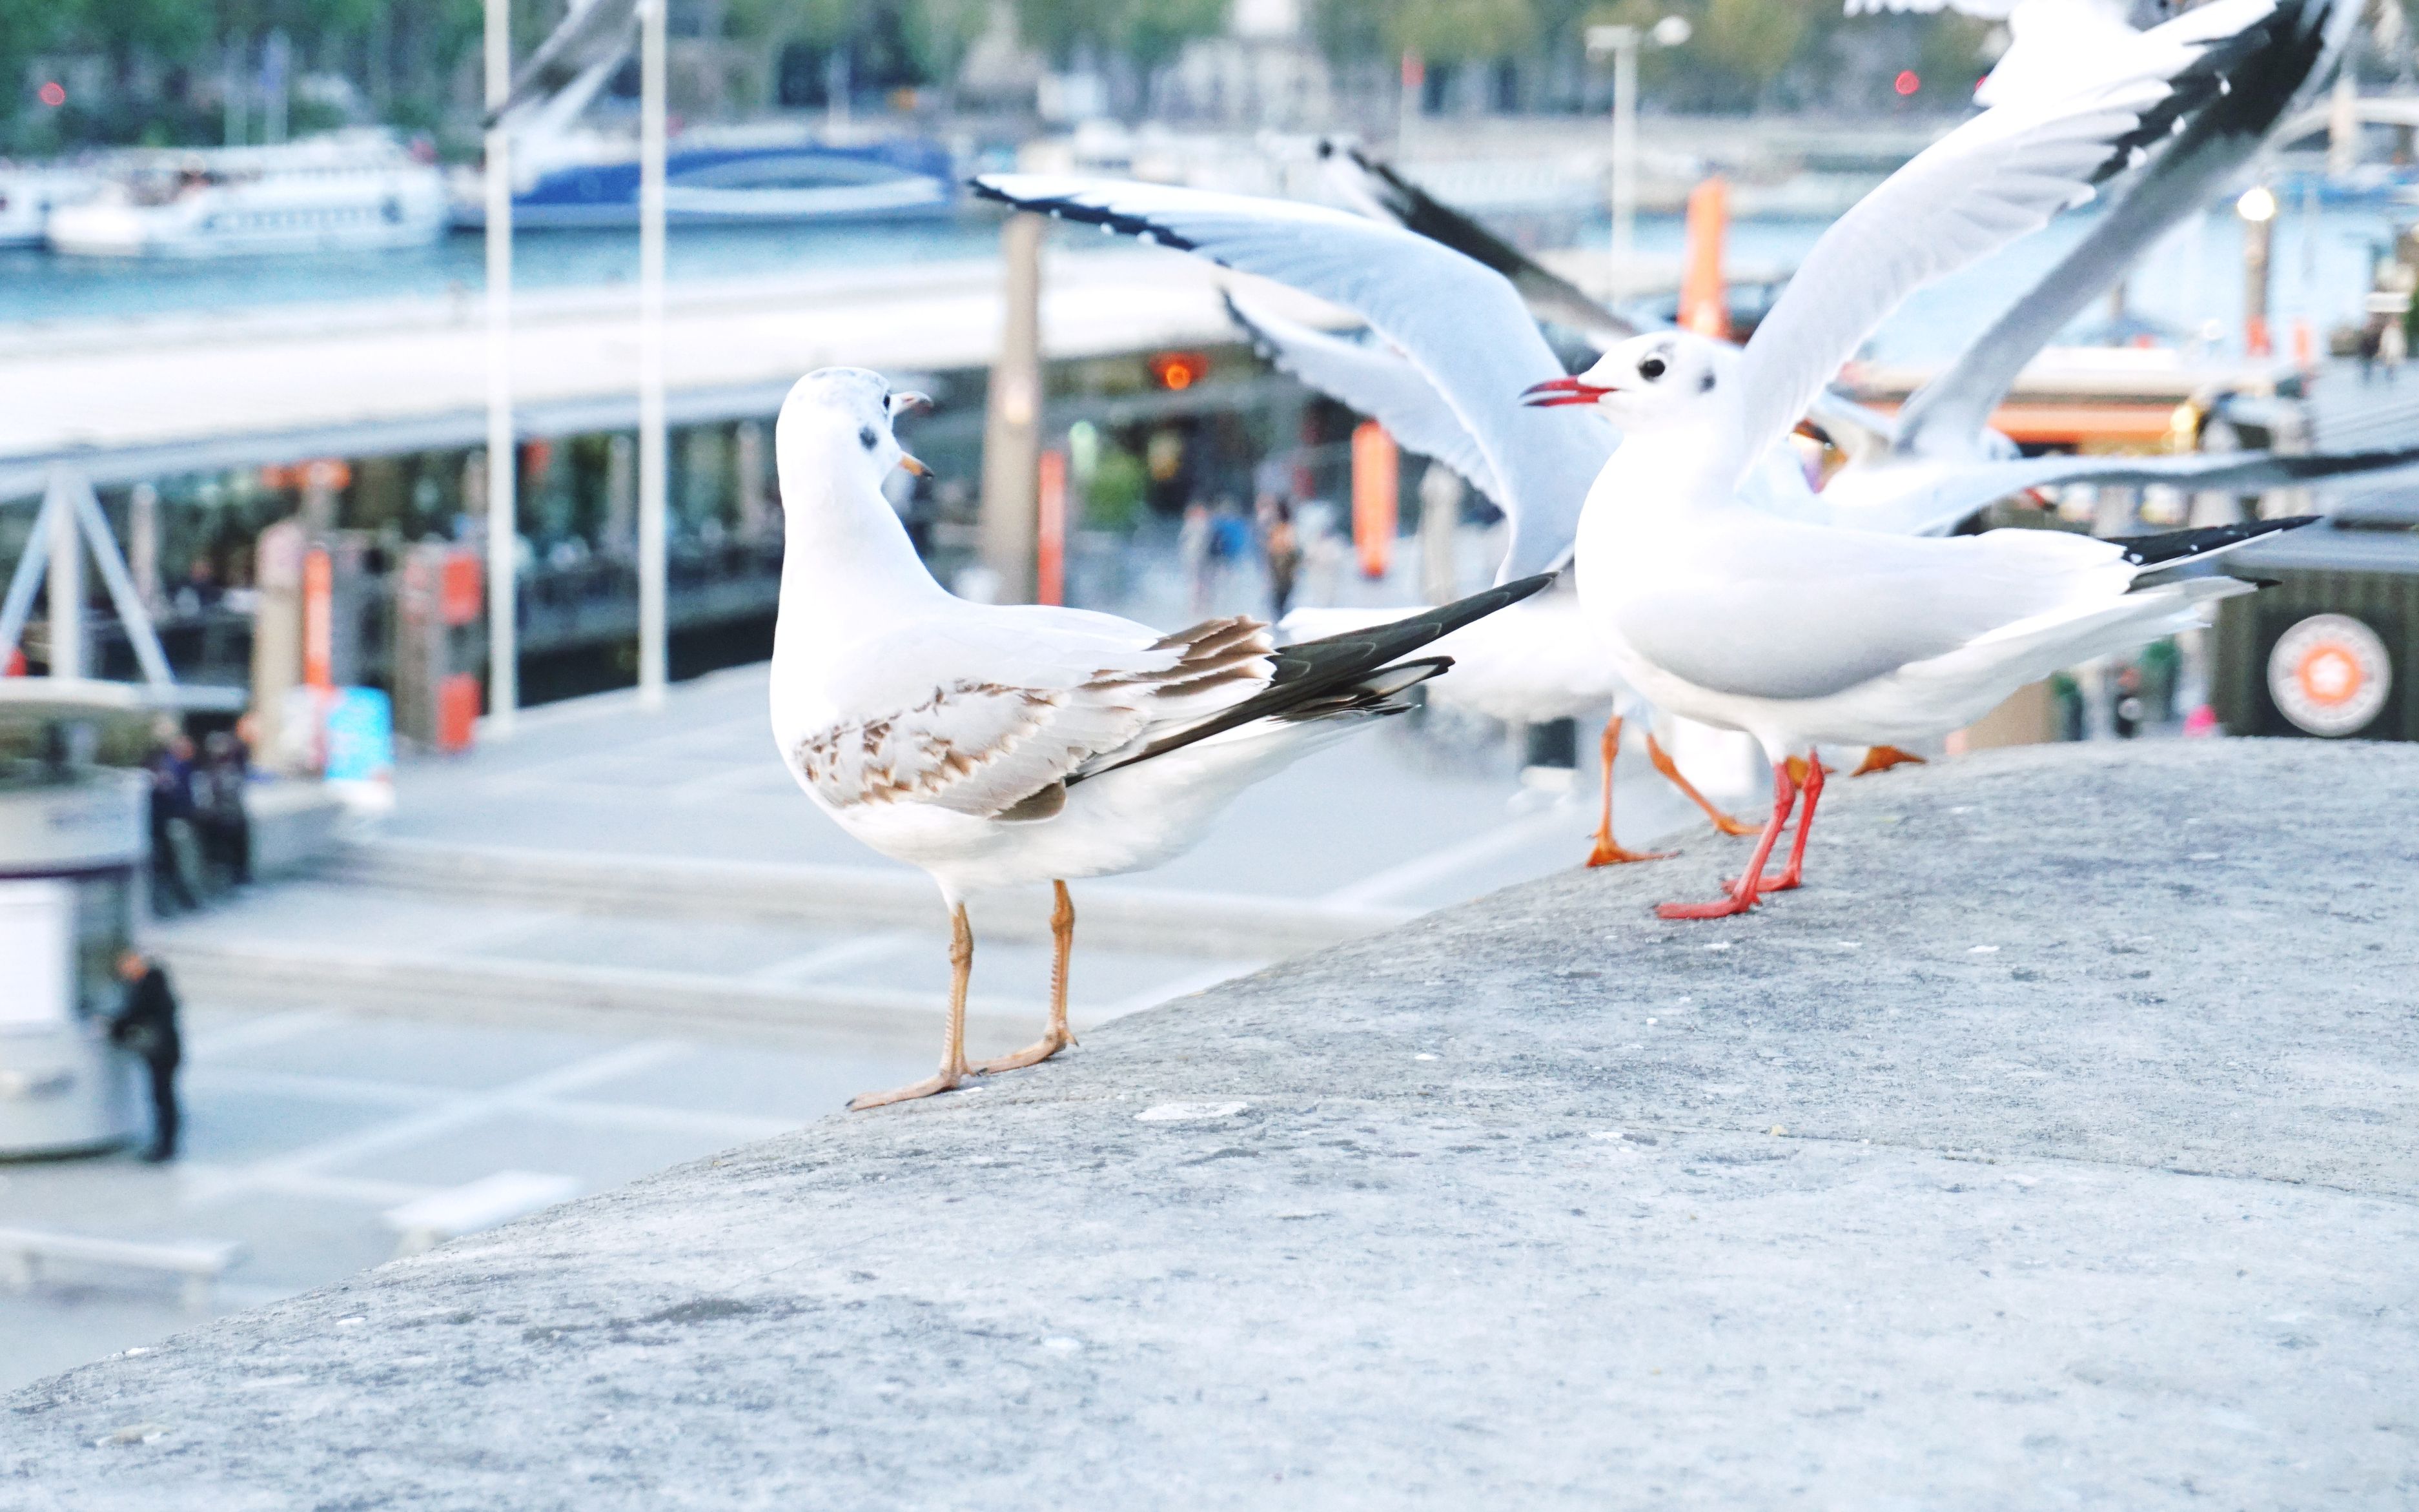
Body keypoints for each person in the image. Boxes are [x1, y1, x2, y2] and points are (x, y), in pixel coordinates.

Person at [109, 951, 182, 1162]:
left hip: (161, 1051)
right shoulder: (157, 984)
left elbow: (135, 1014)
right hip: (166, 1050)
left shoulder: (147, 987)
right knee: (164, 1096)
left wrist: (113, 1028)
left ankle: (165, 1145)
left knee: (163, 1097)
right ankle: (166, 1143)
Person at [144, 733, 199, 913]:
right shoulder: (171, 770)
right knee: (177, 865)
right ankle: (181, 901)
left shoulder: (182, 768)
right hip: (170, 826)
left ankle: (184, 900)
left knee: (176, 866)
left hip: (172, 825)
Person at [197, 730, 252, 887]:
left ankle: (240, 874)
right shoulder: (208, 772)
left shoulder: (233, 768)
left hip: (234, 817)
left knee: (240, 843)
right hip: (219, 819)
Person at [1261, 497, 1301, 619]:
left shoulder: (1279, 528)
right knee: (1282, 594)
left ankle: (1281, 617)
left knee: (1280, 594)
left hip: (1281, 564)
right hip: (1283, 565)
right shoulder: (1287, 528)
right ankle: (1282, 616)